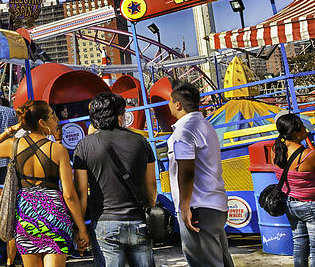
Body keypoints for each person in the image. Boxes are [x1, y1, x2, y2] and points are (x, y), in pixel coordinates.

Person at [0, 100, 89, 267]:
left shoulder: (14, 145)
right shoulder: (58, 150)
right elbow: (69, 195)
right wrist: (81, 227)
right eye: (52, 116)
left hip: (26, 215)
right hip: (54, 216)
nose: (56, 119)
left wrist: (12, 130)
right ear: (42, 123)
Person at [73, 92, 155, 267]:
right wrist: (149, 208)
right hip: (138, 220)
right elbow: (151, 187)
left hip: (104, 223)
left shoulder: (85, 146)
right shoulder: (141, 141)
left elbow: (81, 193)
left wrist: (80, 229)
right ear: (120, 115)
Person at [167, 80, 233, 267]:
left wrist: (185, 207)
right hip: (213, 204)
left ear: (178, 104)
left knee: (204, 262)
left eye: (170, 101)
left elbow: (186, 170)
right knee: (220, 260)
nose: (169, 105)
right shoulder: (205, 126)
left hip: (197, 207)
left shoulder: (184, 131)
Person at [273, 112, 315, 267]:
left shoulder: (276, 151)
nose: (306, 130)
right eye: (303, 127)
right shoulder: (309, 155)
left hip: (290, 203)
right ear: (296, 133)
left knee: (299, 244)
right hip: (310, 205)